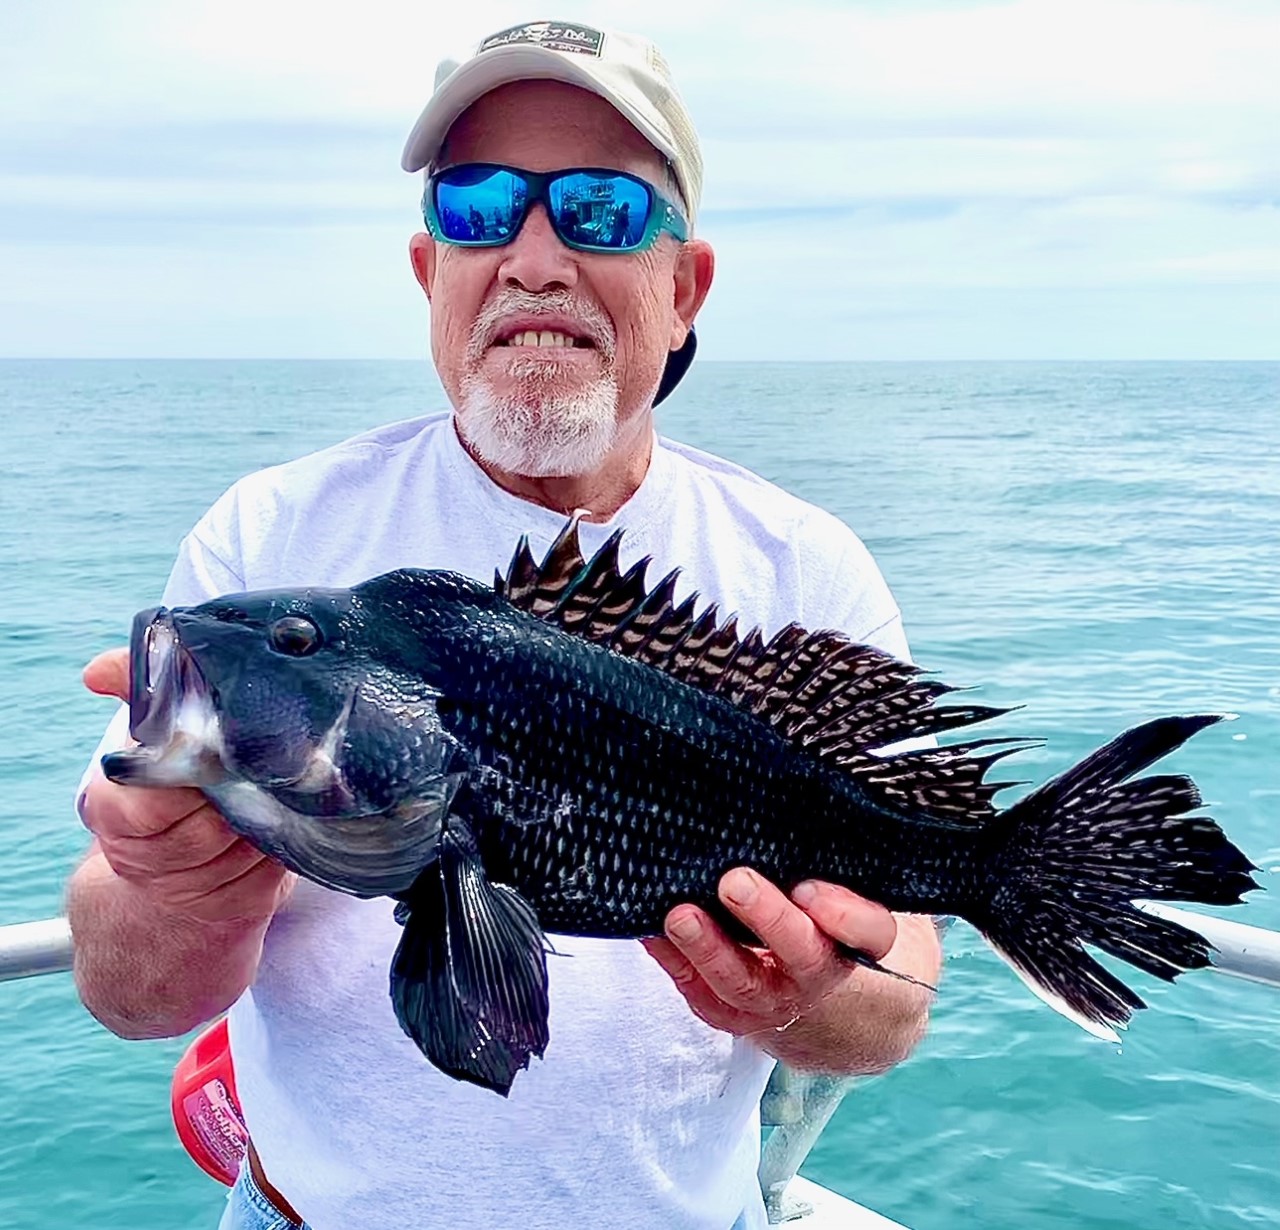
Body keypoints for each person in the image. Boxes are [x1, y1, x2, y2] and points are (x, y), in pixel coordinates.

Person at [66, 19, 942, 1230]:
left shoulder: (801, 569)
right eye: (477, 207)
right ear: (431, 273)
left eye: (599, 207)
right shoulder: (267, 534)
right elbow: (128, 995)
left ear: (681, 289)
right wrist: (175, 893)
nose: (534, 256)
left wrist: (797, 999)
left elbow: (897, 1004)